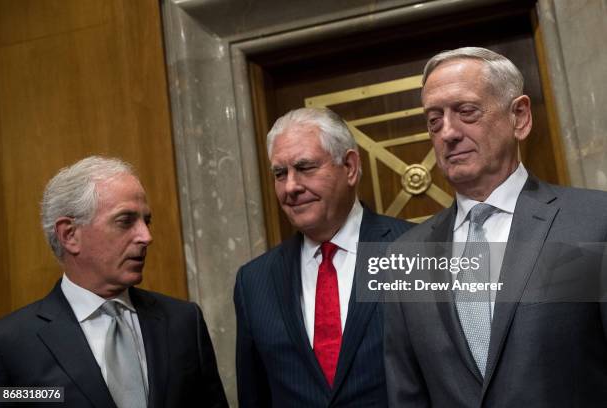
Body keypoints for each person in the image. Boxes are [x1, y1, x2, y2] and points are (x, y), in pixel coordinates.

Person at [384, 47, 607, 407]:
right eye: (434, 120)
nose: (448, 133)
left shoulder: (593, 223)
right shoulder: (406, 256)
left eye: (466, 112)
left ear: (519, 116)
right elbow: (407, 393)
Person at [0, 156, 228, 408]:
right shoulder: (10, 345)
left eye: (146, 221)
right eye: (125, 221)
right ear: (70, 235)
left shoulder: (183, 322)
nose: (146, 237)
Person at [234, 108, 412, 407]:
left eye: (305, 168)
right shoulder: (254, 281)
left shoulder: (413, 249)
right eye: (280, 174)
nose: (291, 186)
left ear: (351, 167)